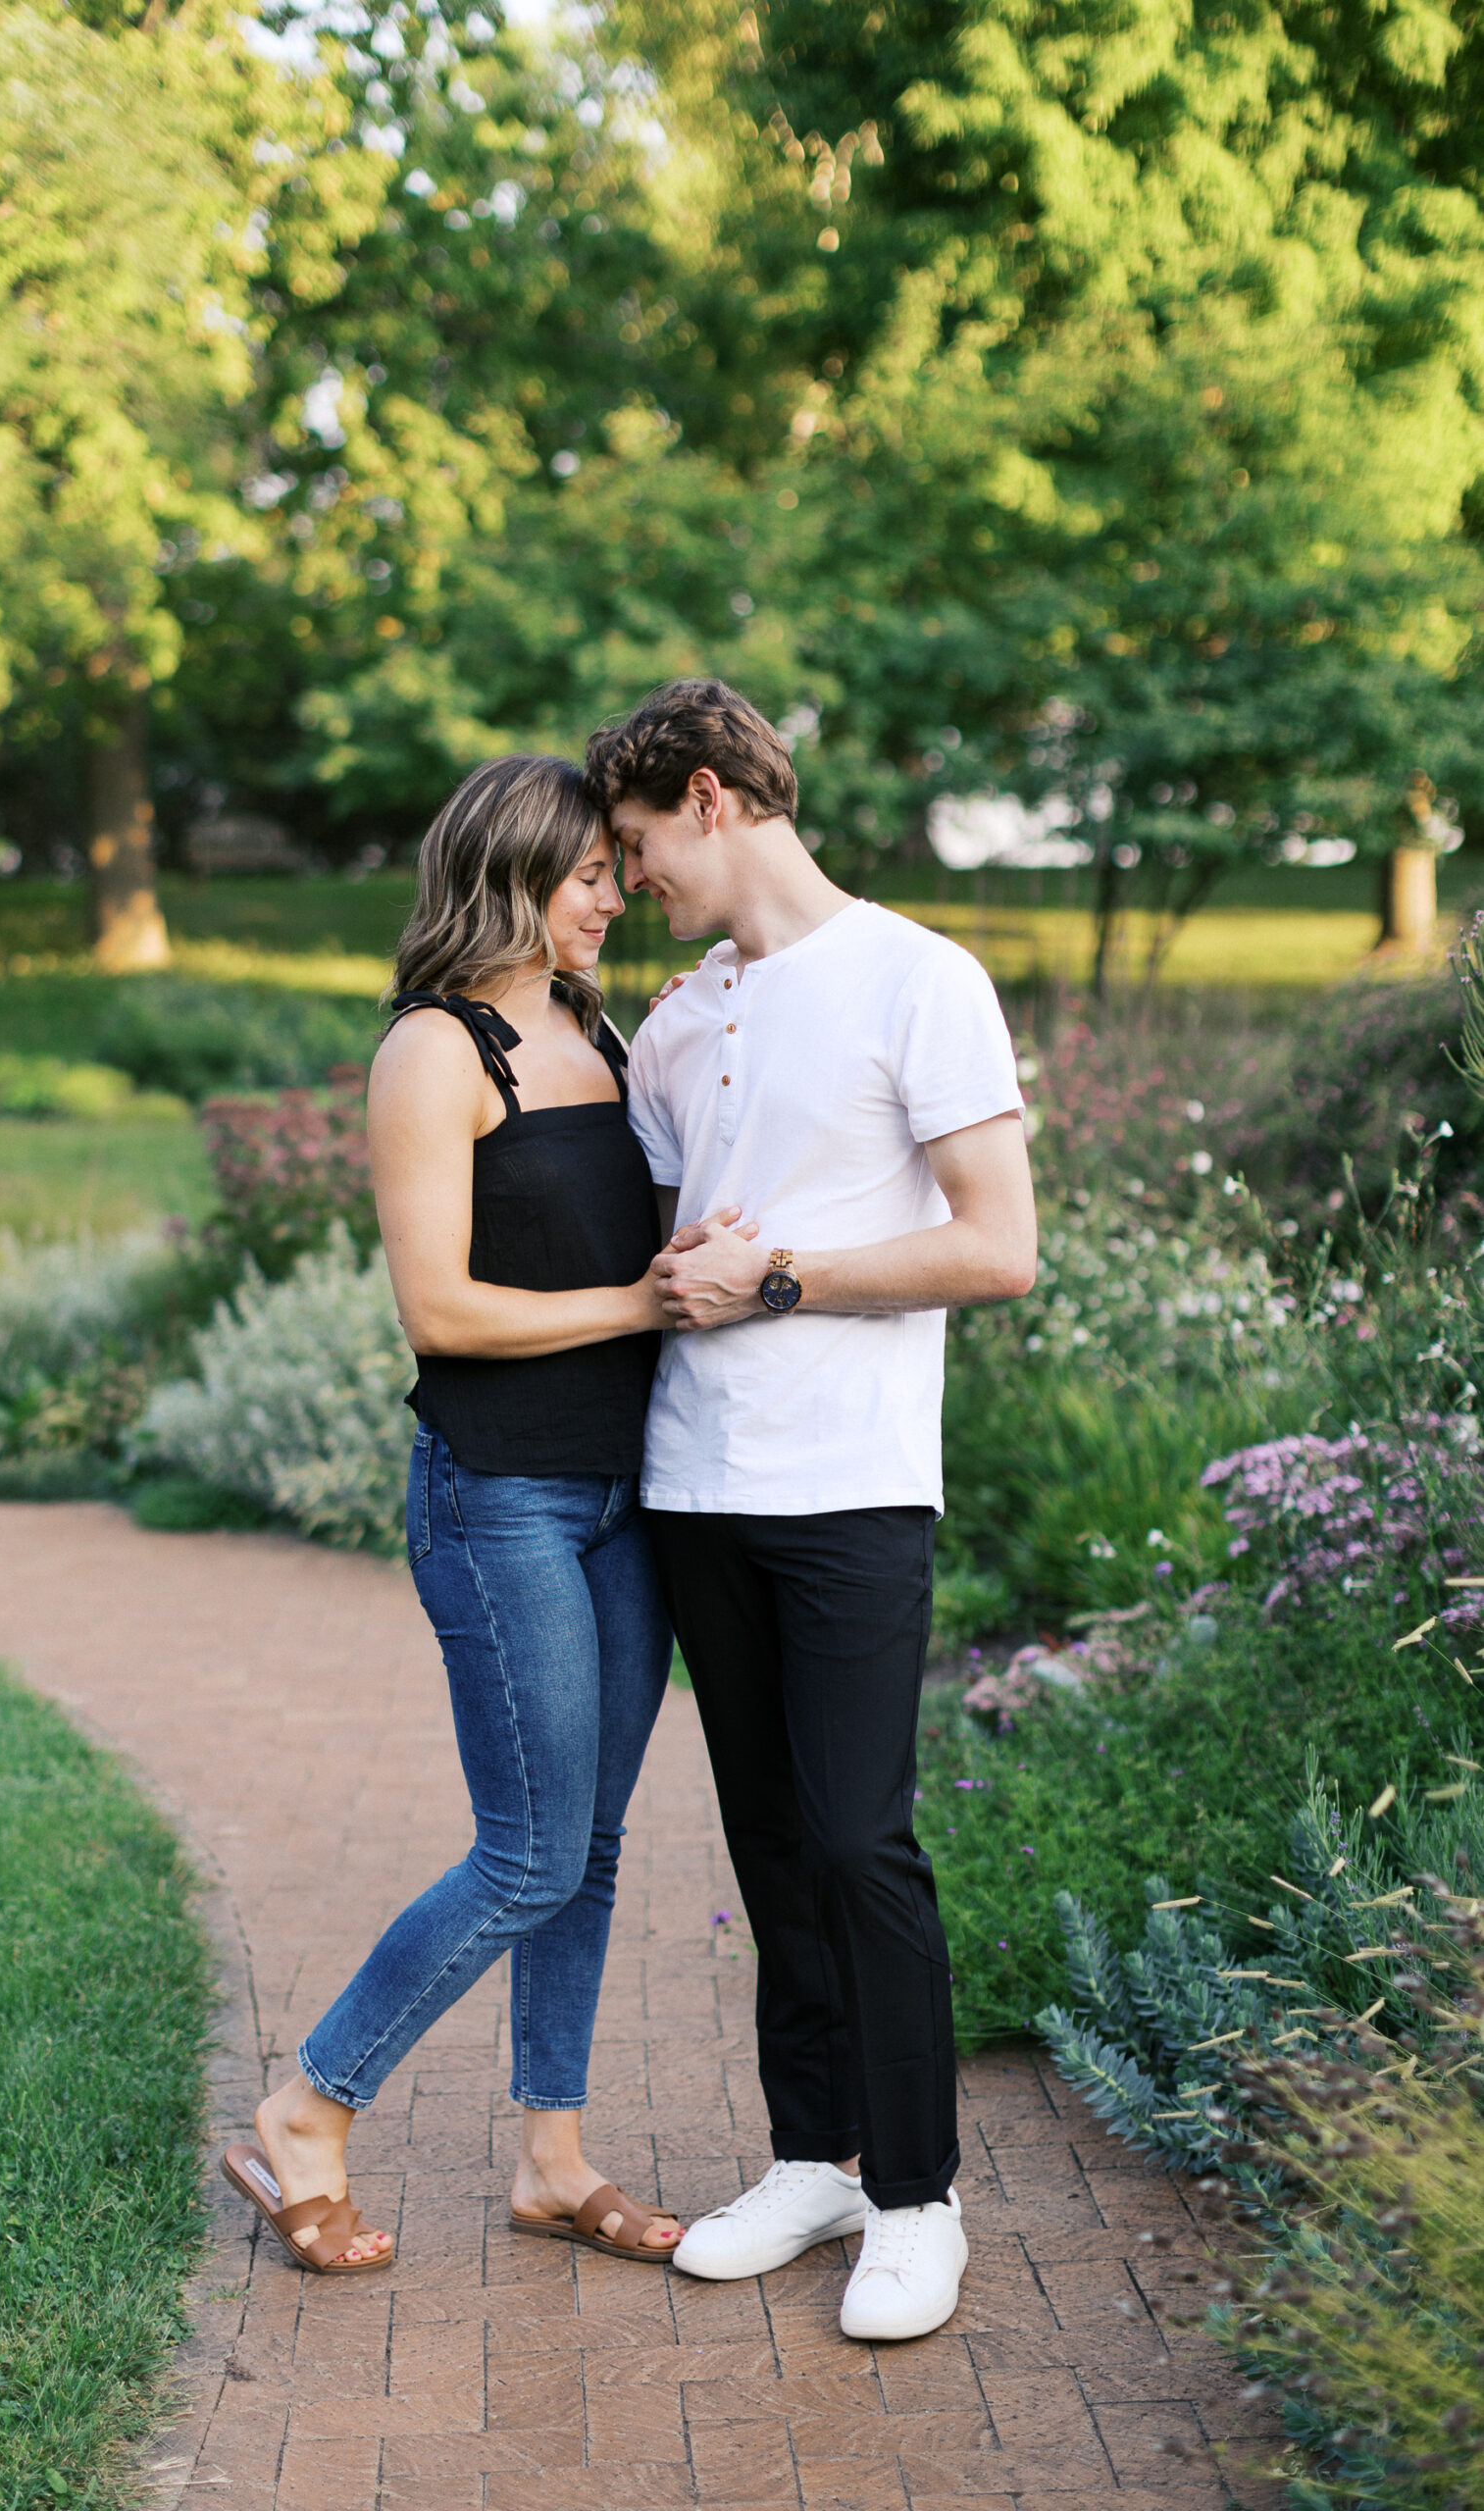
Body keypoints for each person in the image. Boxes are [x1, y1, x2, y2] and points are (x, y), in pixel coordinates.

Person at [584, 680, 1038, 2341]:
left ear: (709, 799)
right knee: (771, 1845)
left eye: (638, 849)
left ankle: (917, 2196)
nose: (630, 884)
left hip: (847, 1487)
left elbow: (998, 1246)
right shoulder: (683, 1018)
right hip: (697, 1487)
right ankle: (811, 2160)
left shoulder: (921, 979)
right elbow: (665, 1257)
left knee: (861, 1842)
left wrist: (781, 1275)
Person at [223, 753, 698, 2274]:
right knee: (528, 1852)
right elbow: (441, 1311)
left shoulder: (592, 1024)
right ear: (510, 871)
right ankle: (309, 2105)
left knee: (595, 1843)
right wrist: (643, 1301)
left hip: (629, 1495)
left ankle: (553, 2161)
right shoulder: (436, 1052)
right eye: (588, 876)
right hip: (501, 1500)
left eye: (619, 875)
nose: (615, 896)